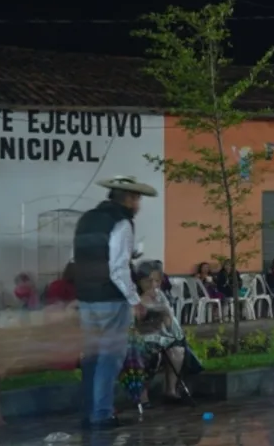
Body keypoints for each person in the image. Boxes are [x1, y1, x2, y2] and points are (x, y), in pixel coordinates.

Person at [73, 175, 157, 431]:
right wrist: (135, 300)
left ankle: (89, 412)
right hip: (110, 298)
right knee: (109, 357)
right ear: (129, 199)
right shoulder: (121, 222)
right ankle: (102, 414)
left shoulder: (86, 219)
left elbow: (77, 258)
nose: (138, 205)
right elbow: (117, 268)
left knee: (92, 357)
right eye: (138, 199)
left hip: (86, 297)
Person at [129, 261, 194, 403]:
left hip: (158, 336)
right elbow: (130, 324)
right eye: (148, 281)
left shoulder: (160, 296)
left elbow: (170, 326)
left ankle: (170, 390)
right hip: (138, 338)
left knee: (177, 350)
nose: (153, 285)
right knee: (151, 352)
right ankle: (142, 393)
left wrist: (165, 311)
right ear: (139, 281)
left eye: (157, 281)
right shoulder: (132, 296)